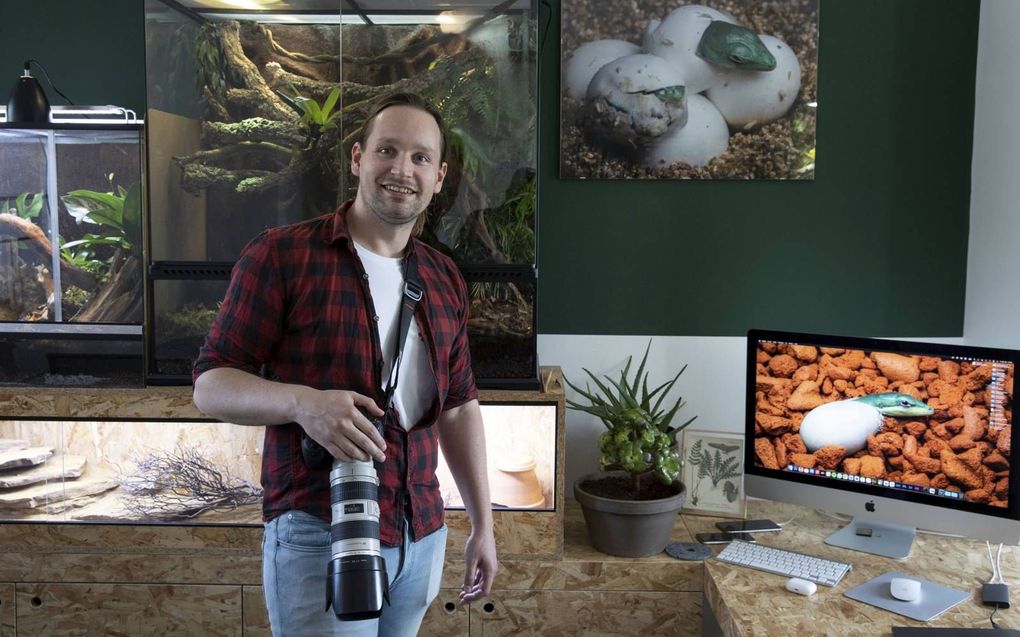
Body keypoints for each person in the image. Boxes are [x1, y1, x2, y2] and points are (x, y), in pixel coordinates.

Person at [192, 92, 497, 636]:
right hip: (318, 531)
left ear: (440, 175)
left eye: (421, 158)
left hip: (420, 531)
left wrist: (483, 525)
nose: (402, 170)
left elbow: (458, 406)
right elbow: (211, 383)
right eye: (388, 150)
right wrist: (302, 403)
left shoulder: (443, 276)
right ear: (358, 158)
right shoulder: (282, 256)